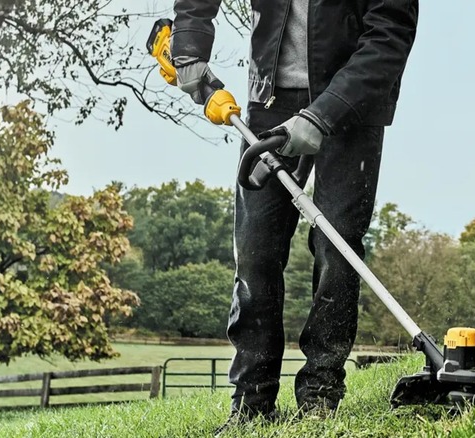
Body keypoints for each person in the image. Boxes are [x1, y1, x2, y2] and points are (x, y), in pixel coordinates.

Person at [171, 0, 419, 424]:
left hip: (351, 105)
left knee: (336, 245)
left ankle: (320, 395)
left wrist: (324, 113)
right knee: (254, 251)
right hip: (270, 100)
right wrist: (189, 45)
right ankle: (251, 403)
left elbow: (390, 33)